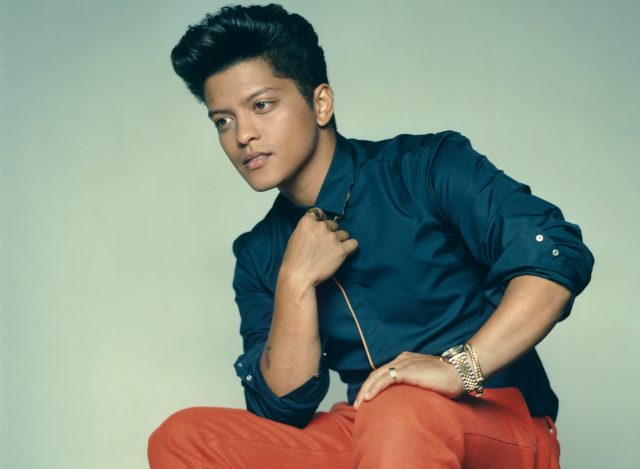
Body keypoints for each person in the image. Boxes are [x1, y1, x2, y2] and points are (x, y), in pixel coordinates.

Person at [149, 4, 594, 468]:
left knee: (400, 410)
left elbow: (555, 254)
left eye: (262, 106)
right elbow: (280, 409)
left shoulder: (425, 168)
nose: (242, 135)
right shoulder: (261, 254)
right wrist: (295, 282)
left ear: (321, 103)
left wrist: (459, 368)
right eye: (223, 120)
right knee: (184, 438)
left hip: (496, 419)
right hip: (373, 430)